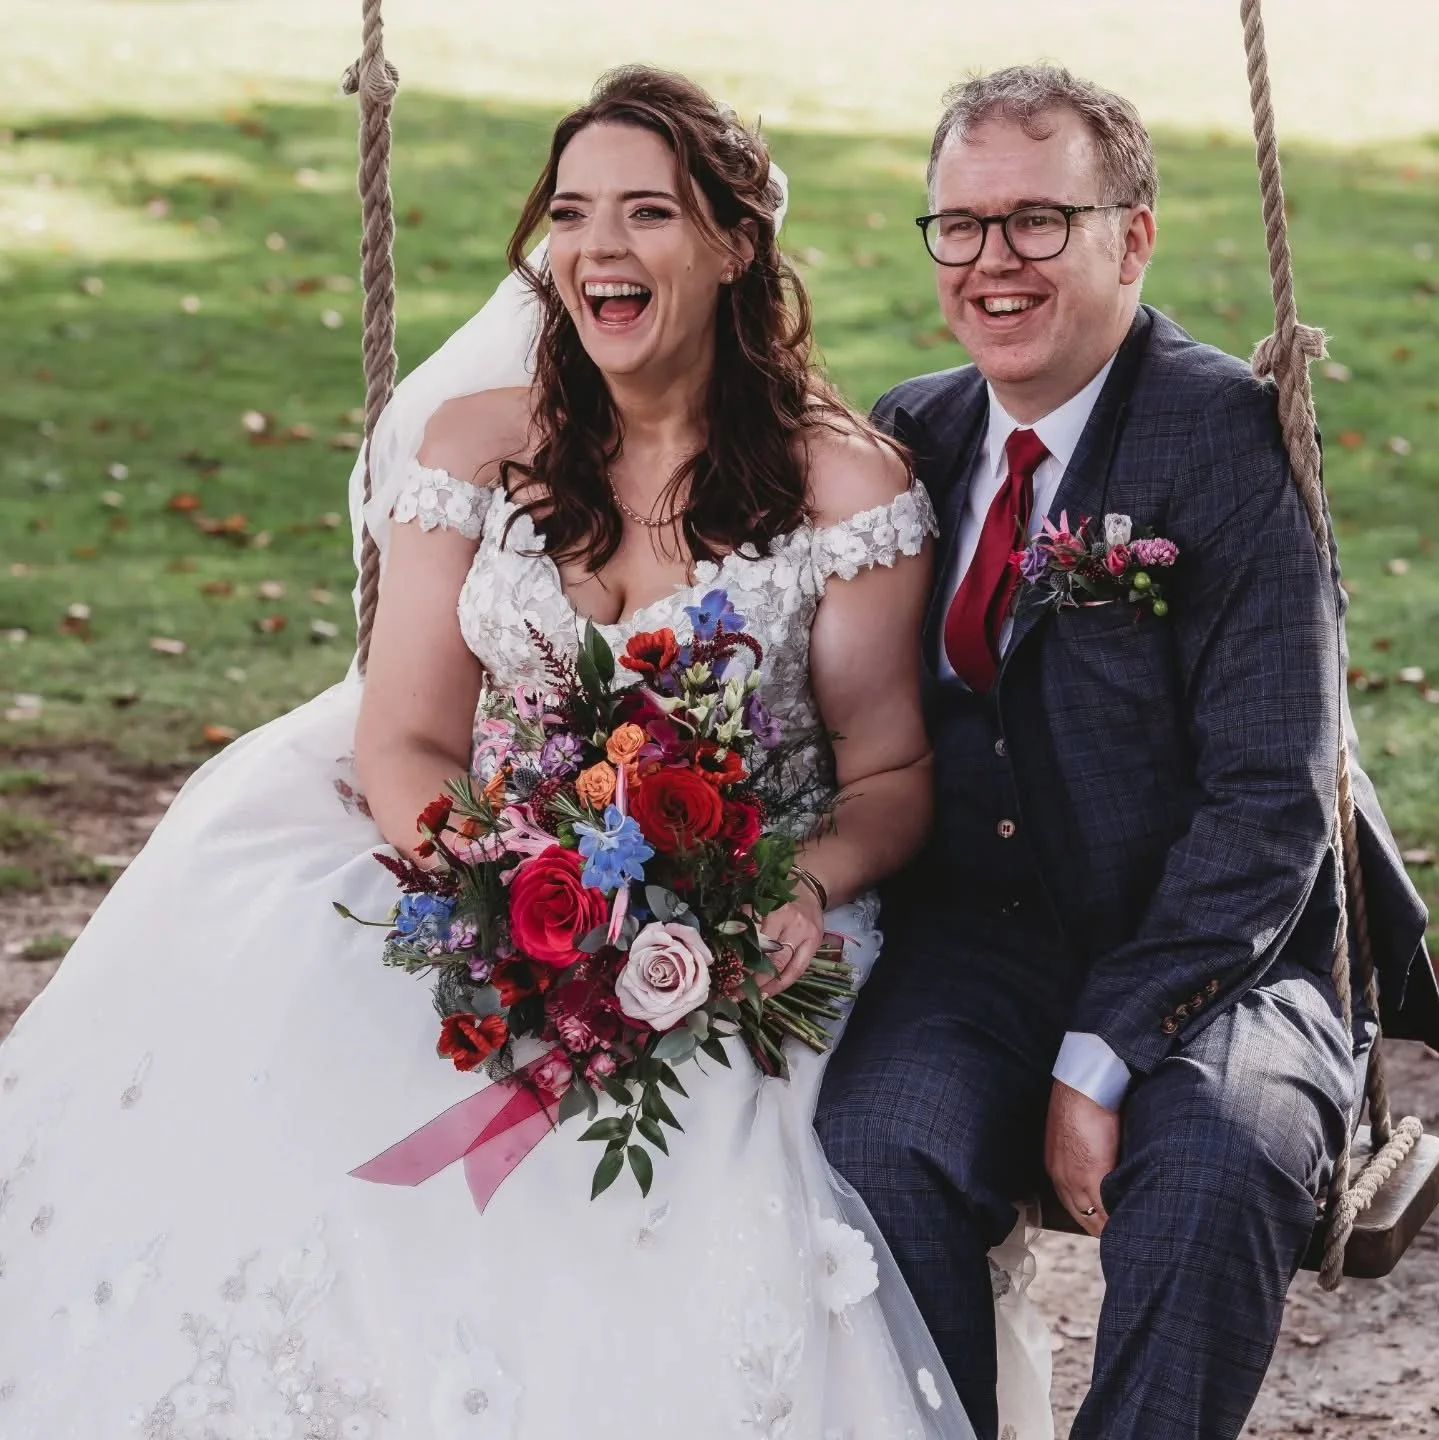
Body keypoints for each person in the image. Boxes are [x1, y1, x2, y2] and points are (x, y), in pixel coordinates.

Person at [0, 66, 1055, 1438]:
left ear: (738, 246)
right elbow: (411, 739)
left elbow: (889, 775)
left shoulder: (841, 488)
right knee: (313, 1044)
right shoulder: (477, 452)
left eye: (648, 213)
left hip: (748, 925)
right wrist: (507, 900)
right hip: (483, 878)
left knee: (699, 1175)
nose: (599, 250)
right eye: (570, 213)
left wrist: (791, 886)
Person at [816, 64, 1439, 1440]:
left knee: (1215, 1165)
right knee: (875, 1142)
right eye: (961, 225)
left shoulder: (1228, 442)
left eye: (1040, 221)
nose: (993, 262)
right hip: (985, 941)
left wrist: (1102, 1052)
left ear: (1132, 238)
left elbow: (1273, 803)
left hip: (1232, 959)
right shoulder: (912, 435)